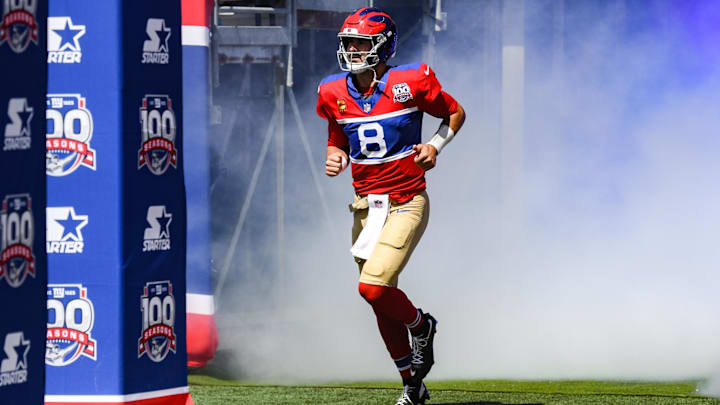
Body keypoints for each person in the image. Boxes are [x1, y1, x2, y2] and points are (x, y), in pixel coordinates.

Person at [316, 7, 466, 405]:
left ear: (381, 47)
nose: (350, 50)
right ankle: (412, 388)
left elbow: (455, 111)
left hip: (406, 201)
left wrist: (434, 145)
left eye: (359, 43)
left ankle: (422, 326)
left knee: (372, 287)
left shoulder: (409, 80)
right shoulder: (332, 91)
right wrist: (335, 153)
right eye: (347, 42)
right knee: (379, 301)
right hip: (365, 208)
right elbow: (337, 134)